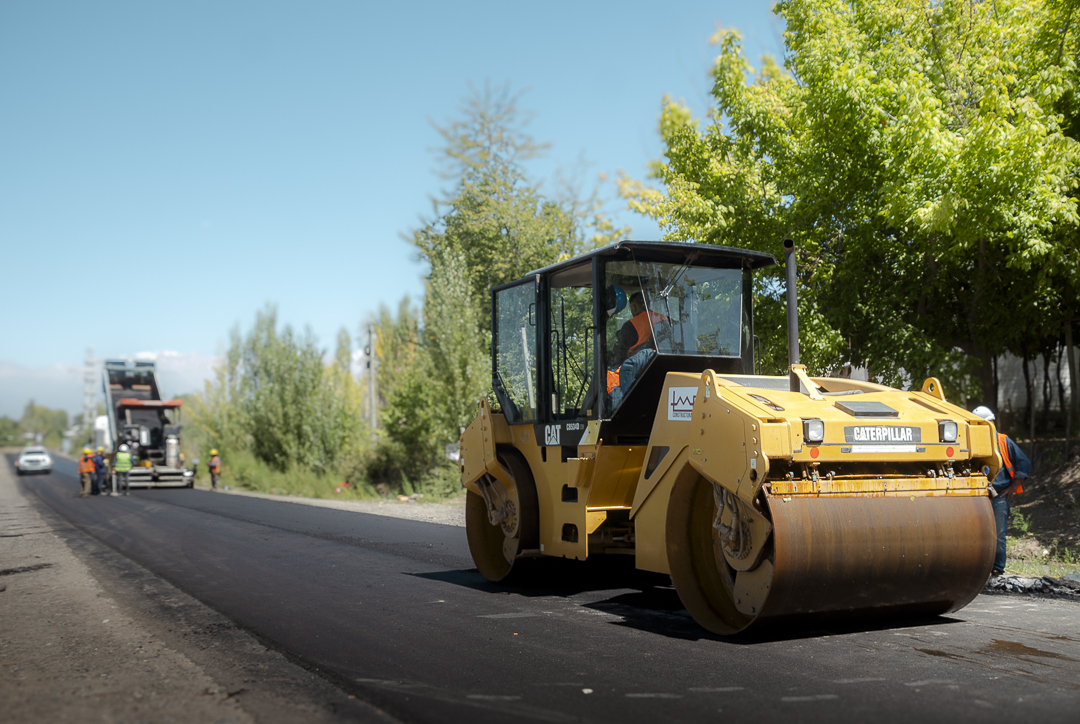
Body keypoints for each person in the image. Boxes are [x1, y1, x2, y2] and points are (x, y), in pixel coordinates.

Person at [972, 406, 1032, 577]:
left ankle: (997, 569)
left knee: (998, 534)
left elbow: (1024, 465)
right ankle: (979, 570)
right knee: (977, 534)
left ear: (991, 423)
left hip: (999, 495)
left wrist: (1013, 487)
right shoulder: (971, 442)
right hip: (977, 496)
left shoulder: (1004, 441)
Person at [606, 291, 667, 407]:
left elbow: (618, 356)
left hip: (636, 373)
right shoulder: (666, 319)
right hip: (661, 369)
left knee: (609, 377)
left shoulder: (630, 325)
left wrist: (608, 357)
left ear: (634, 307)